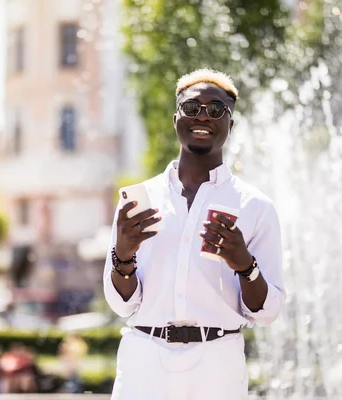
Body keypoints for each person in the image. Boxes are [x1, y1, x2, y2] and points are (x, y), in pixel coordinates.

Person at [103, 67, 286, 399]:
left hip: (217, 364)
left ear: (230, 124)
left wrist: (244, 264)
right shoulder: (139, 199)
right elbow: (122, 304)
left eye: (216, 109)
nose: (203, 115)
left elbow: (268, 311)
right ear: (176, 118)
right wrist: (123, 257)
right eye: (191, 107)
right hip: (144, 359)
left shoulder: (256, 207)